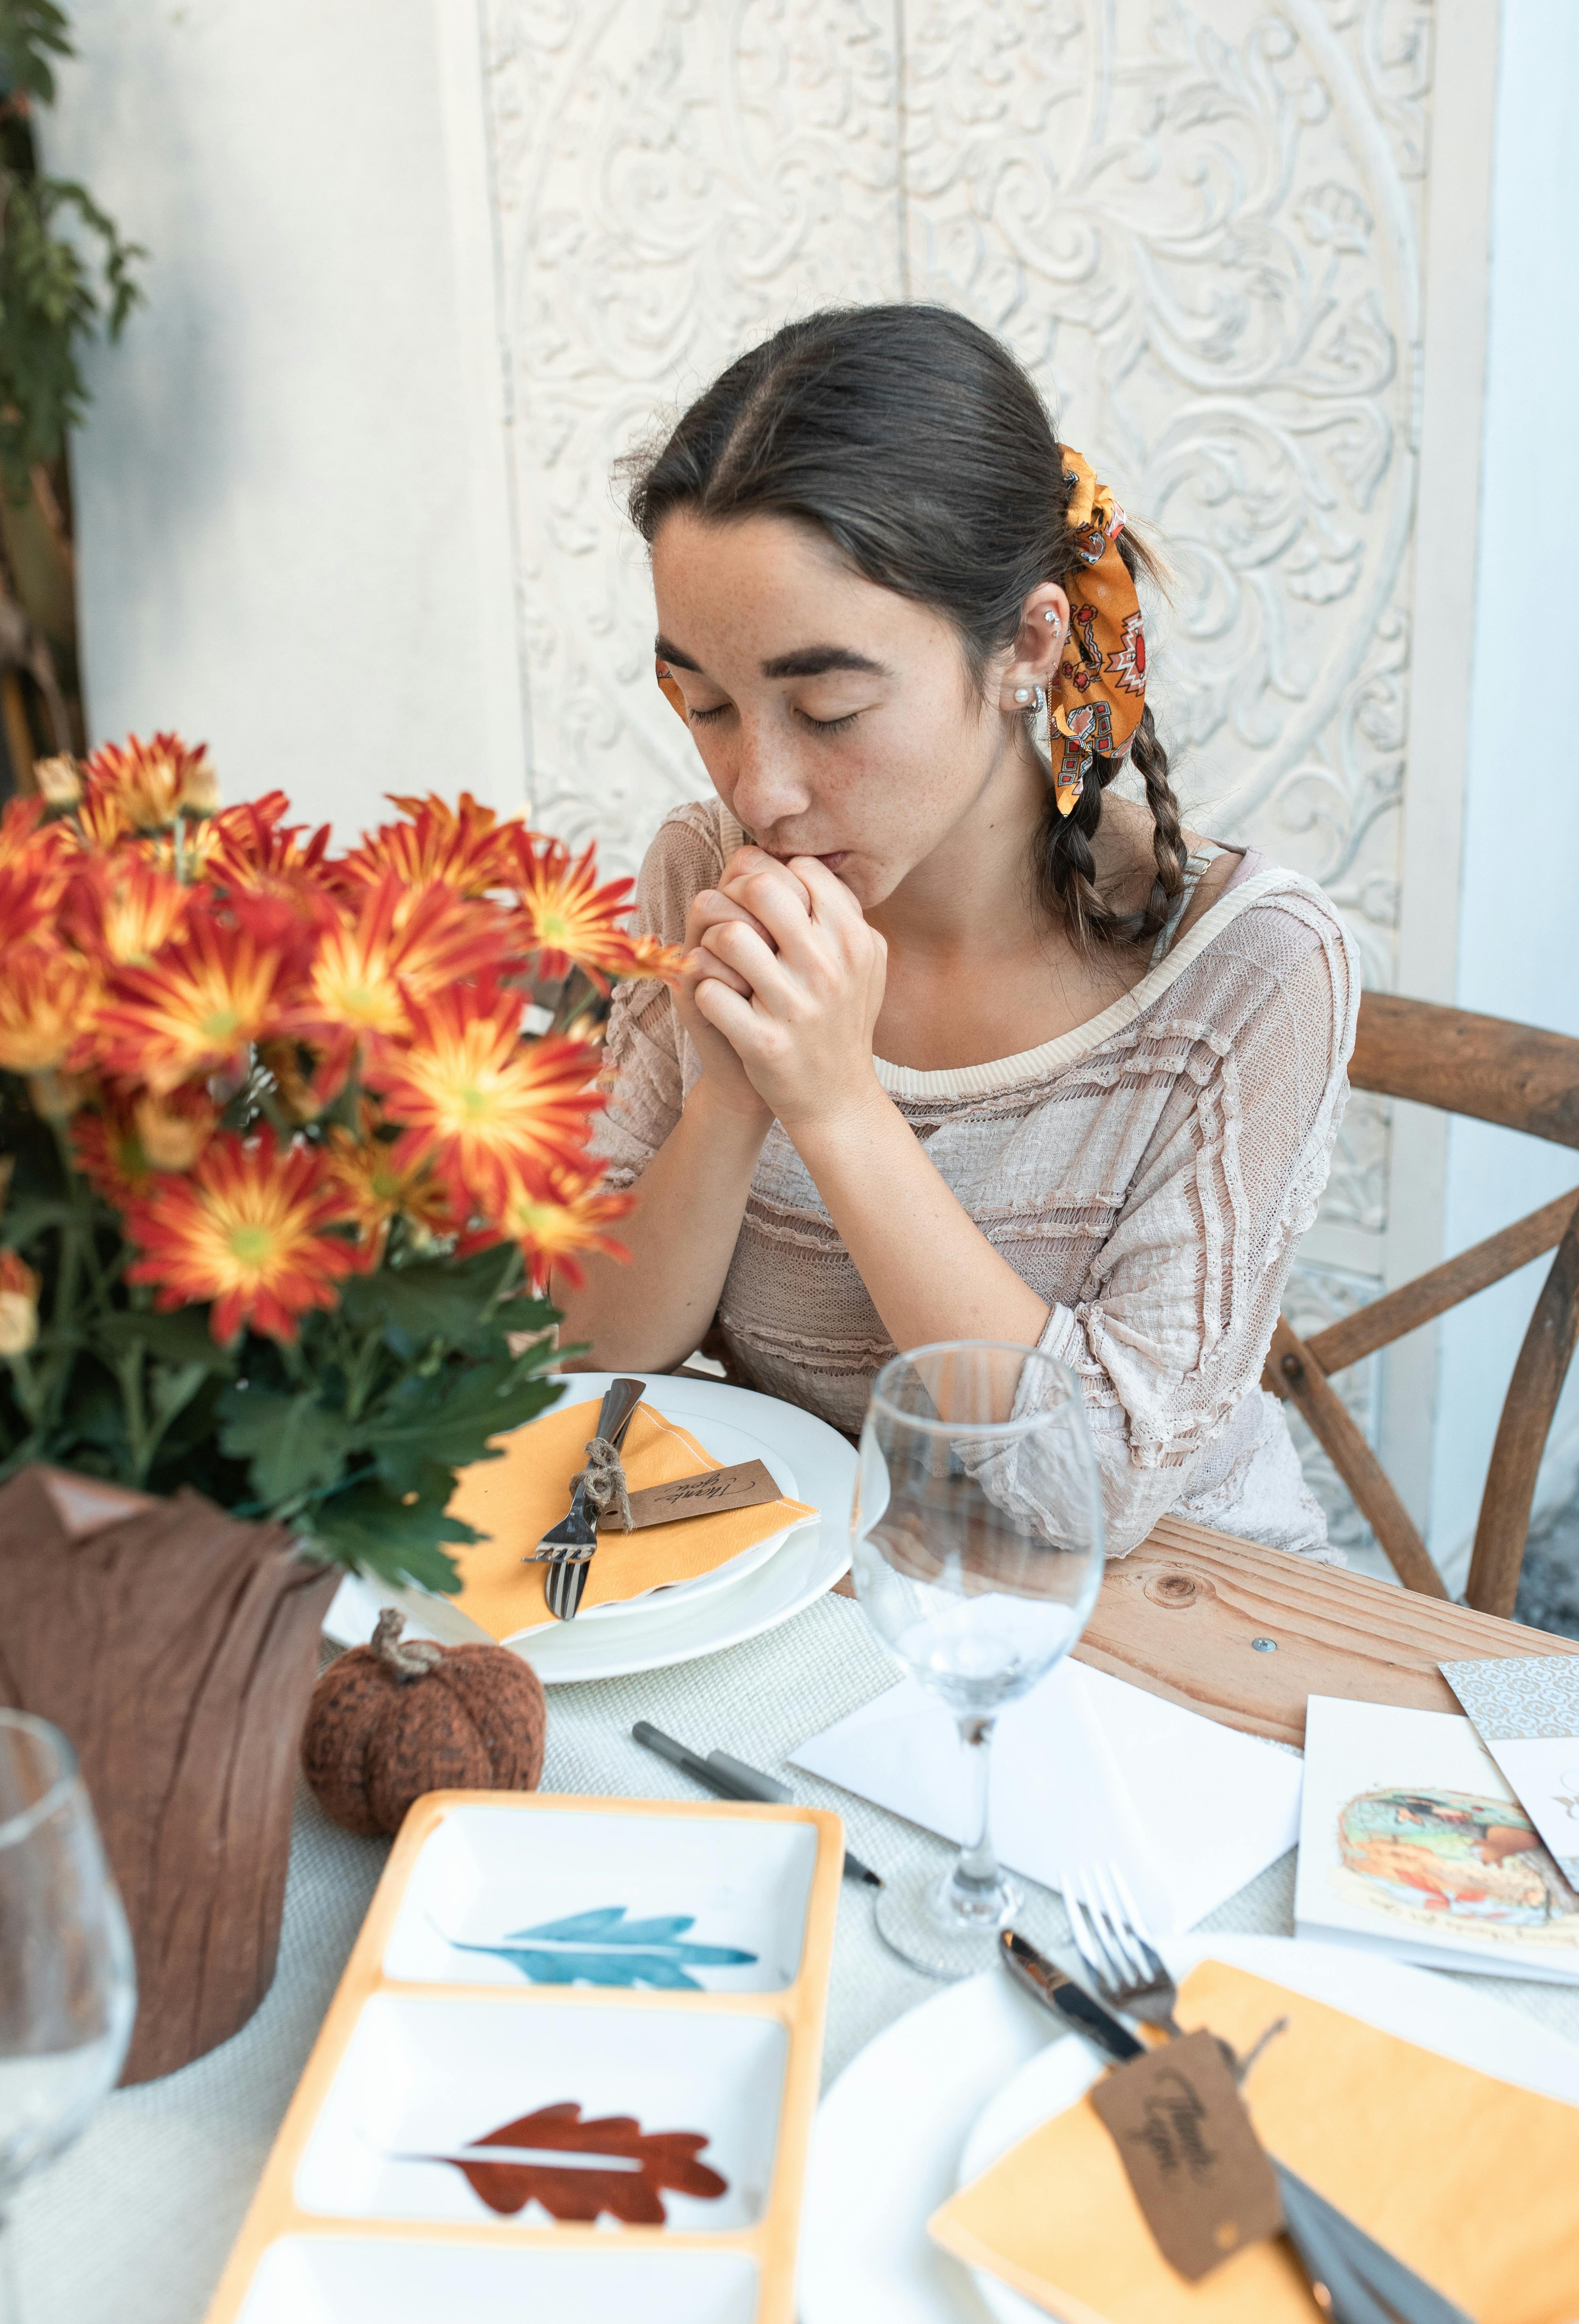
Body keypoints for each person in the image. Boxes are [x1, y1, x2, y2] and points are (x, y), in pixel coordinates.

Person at [559, 305, 1357, 1560]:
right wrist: (728, 1101)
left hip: (1173, 1638)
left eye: (826, 709)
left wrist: (837, 1108)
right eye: (705, 703)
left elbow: (1084, 1492)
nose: (756, 788)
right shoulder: (705, 877)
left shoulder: (1253, 974)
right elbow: (590, 1342)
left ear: (1027, 645)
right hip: (829, 1609)